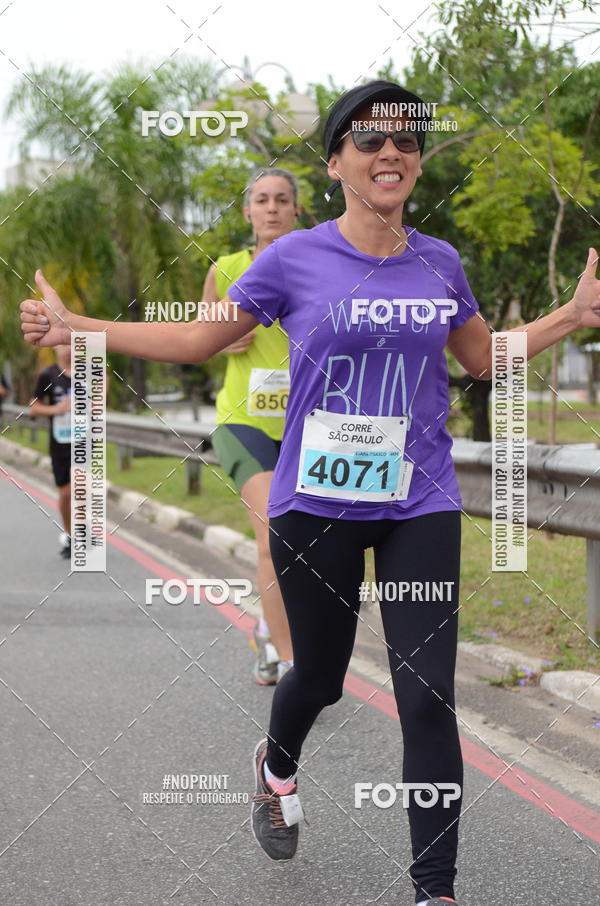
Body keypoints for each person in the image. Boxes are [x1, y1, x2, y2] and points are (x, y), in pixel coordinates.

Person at [19, 79, 600, 906]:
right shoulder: (290, 257)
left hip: (419, 499)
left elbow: (481, 358)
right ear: (336, 164)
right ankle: (277, 765)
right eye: (367, 140)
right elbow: (198, 338)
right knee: (320, 679)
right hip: (314, 502)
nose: (388, 151)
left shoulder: (441, 261)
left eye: (404, 140)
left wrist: (570, 317)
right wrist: (80, 327)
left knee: (427, 694)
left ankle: (435, 891)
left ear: (418, 161)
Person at [202, 167, 297, 685]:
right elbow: (200, 336)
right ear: (248, 212)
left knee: (306, 546)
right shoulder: (228, 267)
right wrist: (222, 335)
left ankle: (267, 627)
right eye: (262, 200)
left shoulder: (315, 266)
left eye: (282, 200)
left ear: (297, 210)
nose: (272, 208)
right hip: (243, 421)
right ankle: (288, 662)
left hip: (306, 427)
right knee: (272, 537)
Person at [30, 345, 73, 558]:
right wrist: (57, 409)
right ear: (56, 347)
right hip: (60, 441)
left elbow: (103, 386)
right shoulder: (48, 375)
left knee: (81, 487)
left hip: (85, 441)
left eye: (72, 342)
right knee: (66, 493)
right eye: (64, 343)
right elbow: (34, 407)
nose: (68, 348)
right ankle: (70, 534)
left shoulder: (88, 372)